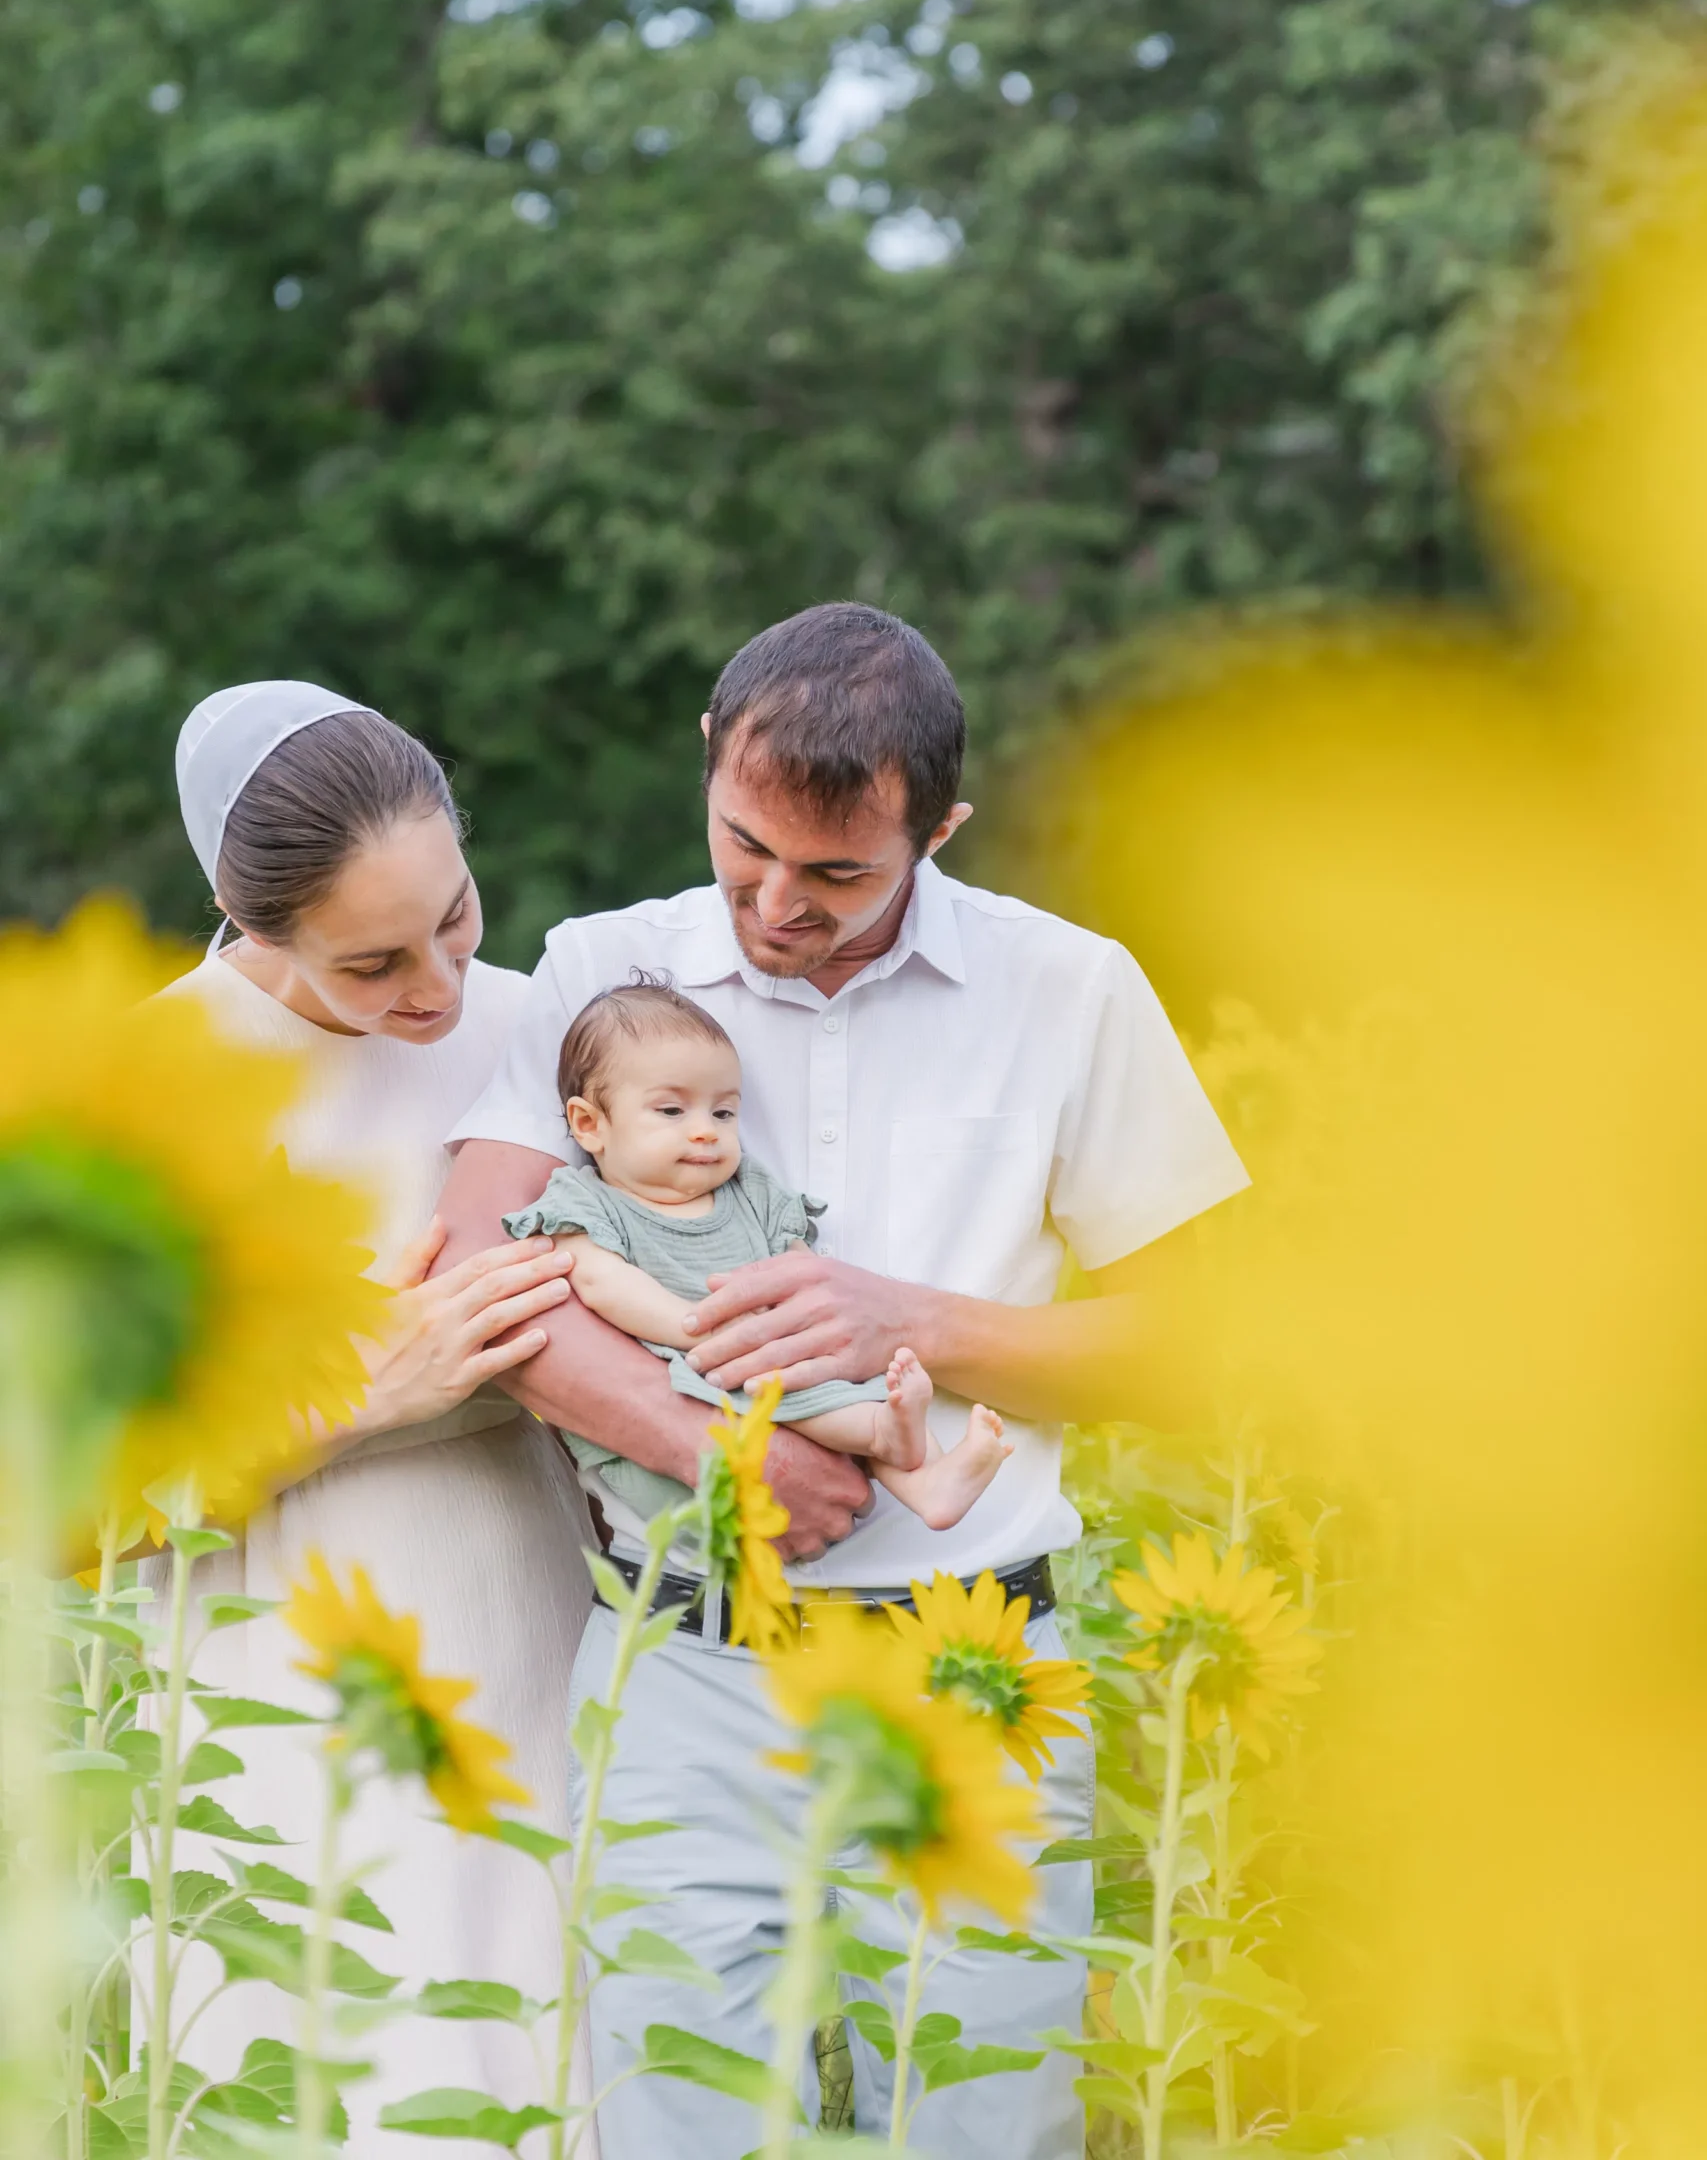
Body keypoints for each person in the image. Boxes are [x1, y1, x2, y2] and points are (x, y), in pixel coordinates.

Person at [435, 603, 1250, 2160]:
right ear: (710, 763)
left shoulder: (1068, 990)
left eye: (836, 873)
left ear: (936, 828)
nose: (774, 902)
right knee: (676, 2128)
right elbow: (486, 1281)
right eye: (744, 845)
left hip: (971, 1680)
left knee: (977, 2134)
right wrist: (710, 1454)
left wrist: (915, 1321)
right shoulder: (601, 970)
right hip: (684, 1665)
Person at [161, 681, 598, 2155]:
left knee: (546, 2058)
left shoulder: (551, 1033)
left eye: (458, 918)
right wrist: (357, 1397)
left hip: (537, 1627)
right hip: (276, 1675)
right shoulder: (155, 1089)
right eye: (374, 962)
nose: (440, 989)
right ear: (249, 919)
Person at [502, 974, 1011, 1529]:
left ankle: (931, 1484)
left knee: (851, 1380)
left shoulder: (748, 1187)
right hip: (691, 1387)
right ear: (589, 1124)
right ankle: (883, 1434)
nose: (705, 1131)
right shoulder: (584, 1200)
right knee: (785, 1388)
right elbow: (603, 1282)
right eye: (672, 1112)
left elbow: (800, 1266)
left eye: (723, 1113)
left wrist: (808, 1328)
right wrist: (702, 1329)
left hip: (768, 1362)